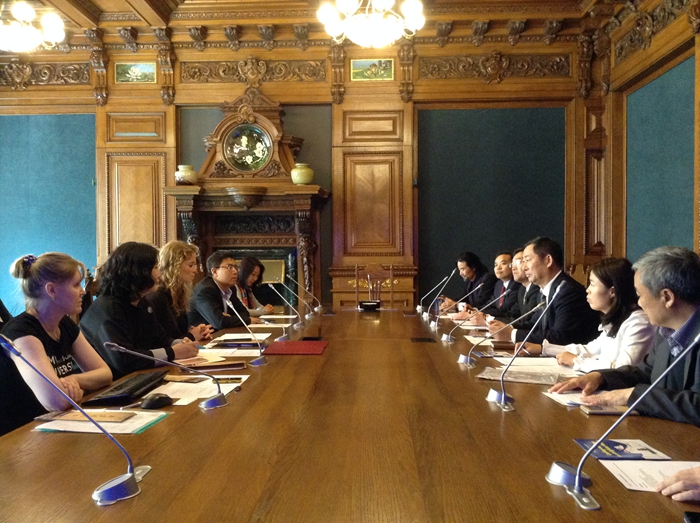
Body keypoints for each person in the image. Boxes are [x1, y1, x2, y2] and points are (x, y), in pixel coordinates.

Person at [549, 246, 700, 427]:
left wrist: (632, 395)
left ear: (667, 297)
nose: (639, 303)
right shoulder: (666, 331)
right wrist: (600, 377)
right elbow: (643, 372)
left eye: (640, 295)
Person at [0, 253, 112, 436]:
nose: (83, 291)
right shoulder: (21, 333)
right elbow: (56, 401)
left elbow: (105, 374)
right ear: (51, 290)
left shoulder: (64, 324)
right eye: (76, 285)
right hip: (19, 435)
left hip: (55, 424)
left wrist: (74, 380)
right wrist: (74, 388)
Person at [80, 242, 199, 380]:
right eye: (156, 268)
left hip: (137, 378)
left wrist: (180, 344)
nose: (160, 274)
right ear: (138, 272)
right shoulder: (109, 310)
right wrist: (172, 352)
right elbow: (124, 361)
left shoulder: (141, 302)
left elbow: (158, 338)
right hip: (110, 385)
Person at [544, 257, 655, 371]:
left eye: (592, 284)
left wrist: (576, 361)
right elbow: (590, 350)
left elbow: (623, 368)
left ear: (612, 291)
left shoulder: (638, 322)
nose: (587, 290)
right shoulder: (616, 319)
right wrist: (544, 349)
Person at [490, 237, 599, 349]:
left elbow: (560, 337)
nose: (524, 267)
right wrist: (506, 328)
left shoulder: (567, 291)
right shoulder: (544, 290)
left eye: (527, 260)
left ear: (548, 260)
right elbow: (535, 324)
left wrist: (513, 334)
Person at [142, 240, 213, 341]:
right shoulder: (156, 297)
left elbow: (177, 335)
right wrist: (191, 336)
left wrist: (196, 333)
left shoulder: (178, 294)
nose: (195, 270)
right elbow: (159, 342)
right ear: (175, 266)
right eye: (191, 265)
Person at [188, 250, 259, 330]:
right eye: (229, 267)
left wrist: (228, 318)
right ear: (214, 272)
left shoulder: (231, 288)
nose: (235, 271)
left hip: (223, 333)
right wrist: (248, 320)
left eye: (236, 267)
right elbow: (220, 322)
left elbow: (244, 313)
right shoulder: (205, 291)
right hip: (204, 336)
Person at [489, 247, 541, 331]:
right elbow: (513, 314)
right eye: (512, 264)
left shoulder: (537, 289)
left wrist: (490, 319)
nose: (513, 268)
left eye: (518, 262)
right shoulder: (522, 290)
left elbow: (527, 321)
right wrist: (490, 319)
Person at [479, 251, 522, 319]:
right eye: (496, 265)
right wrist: (475, 310)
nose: (498, 268)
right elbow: (490, 303)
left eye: (503, 263)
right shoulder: (498, 284)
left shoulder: (517, 284)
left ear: (512, 265)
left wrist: (481, 313)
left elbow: (504, 309)